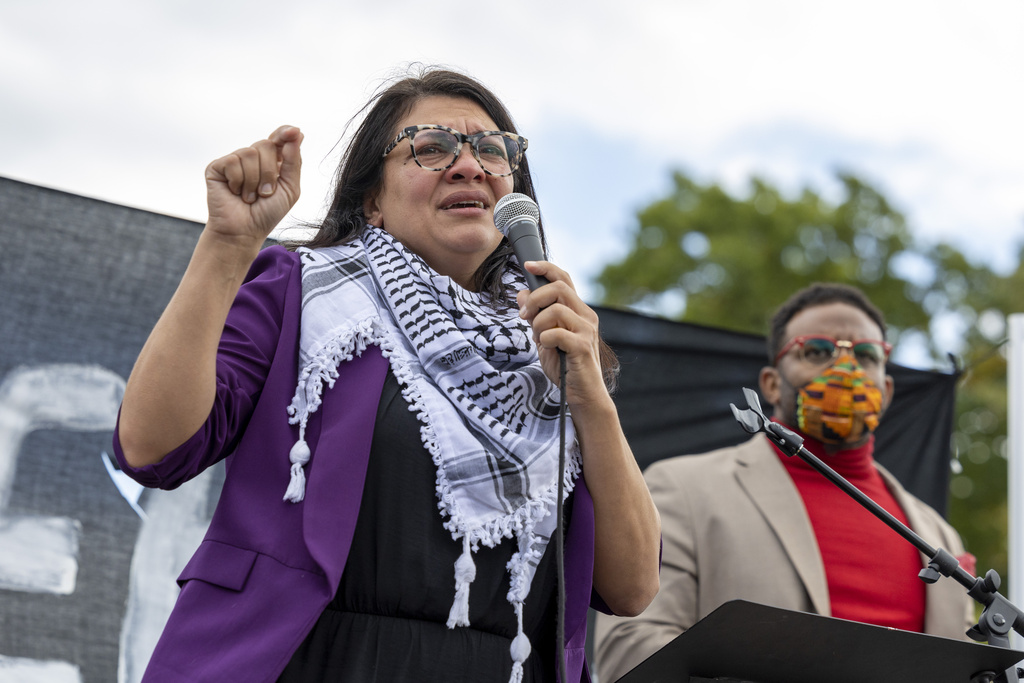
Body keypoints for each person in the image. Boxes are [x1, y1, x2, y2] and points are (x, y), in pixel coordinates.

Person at [114, 66, 660, 683]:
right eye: (431, 148)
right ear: (372, 198)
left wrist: (589, 395)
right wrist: (226, 246)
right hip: (313, 660)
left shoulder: (549, 339)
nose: (469, 166)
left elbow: (634, 587)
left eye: (491, 150)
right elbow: (151, 448)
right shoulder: (304, 293)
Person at [593, 283, 975, 683]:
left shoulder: (939, 538)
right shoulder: (683, 488)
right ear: (772, 383)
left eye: (866, 355)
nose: (846, 369)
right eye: (817, 351)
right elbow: (632, 649)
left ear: (888, 387)